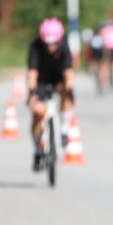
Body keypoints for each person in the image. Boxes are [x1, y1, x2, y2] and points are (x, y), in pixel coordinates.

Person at [27, 17, 75, 170]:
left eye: (54, 43)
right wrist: (33, 93)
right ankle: (38, 148)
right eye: (47, 44)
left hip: (58, 78)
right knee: (37, 111)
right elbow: (32, 74)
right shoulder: (35, 47)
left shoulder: (65, 47)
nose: (50, 47)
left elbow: (68, 73)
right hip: (41, 79)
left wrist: (69, 91)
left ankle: (64, 129)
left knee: (67, 95)